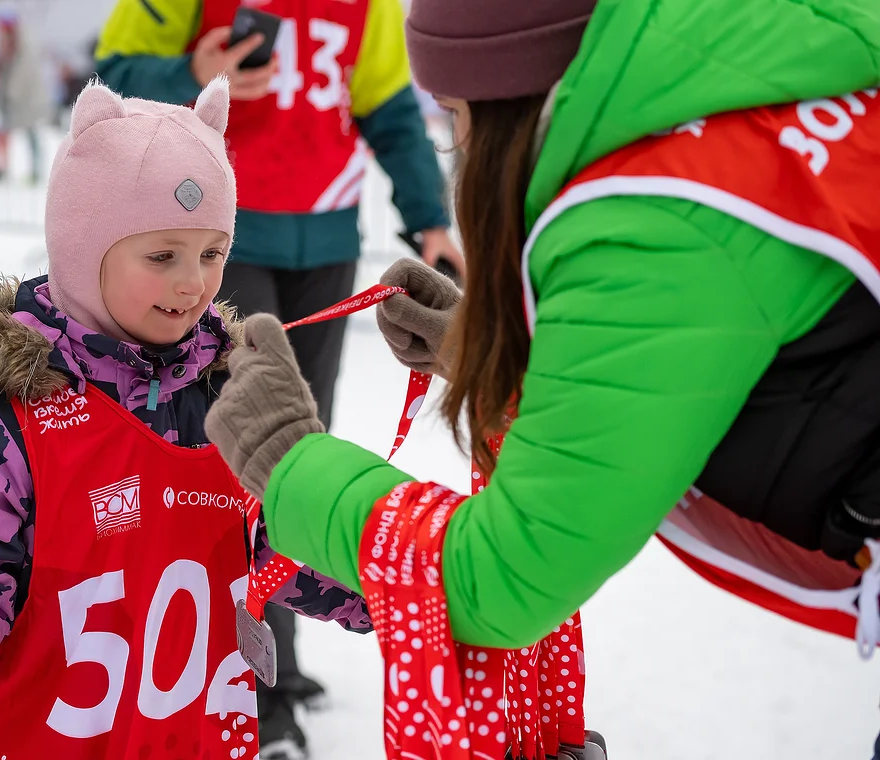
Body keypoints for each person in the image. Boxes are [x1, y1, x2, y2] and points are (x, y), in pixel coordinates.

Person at [205, 0, 880, 751]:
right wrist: (502, 354)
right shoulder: (736, 113)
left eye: (455, 114)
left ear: (511, 97)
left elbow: (500, 578)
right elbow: (695, 358)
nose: (458, 145)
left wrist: (288, 459)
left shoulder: (654, 221)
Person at [0, 78, 368, 760]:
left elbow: (283, 544)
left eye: (211, 253)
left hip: (191, 741)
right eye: (162, 255)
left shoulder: (229, 402)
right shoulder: (7, 416)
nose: (193, 282)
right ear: (85, 249)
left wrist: (403, 579)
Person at [95, 2, 460, 755]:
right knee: (237, 451)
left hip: (326, 234)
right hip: (218, 235)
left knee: (299, 451)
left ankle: (276, 659)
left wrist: (430, 218)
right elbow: (113, 78)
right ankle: (244, 683)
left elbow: (387, 106)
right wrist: (191, 73)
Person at [0, 9, 48, 183]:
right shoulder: (5, 45)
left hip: (25, 99)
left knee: (30, 134)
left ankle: (36, 171)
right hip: (10, 99)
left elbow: (23, 74)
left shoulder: (24, 45)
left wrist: (12, 92)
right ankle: (2, 168)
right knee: (3, 133)